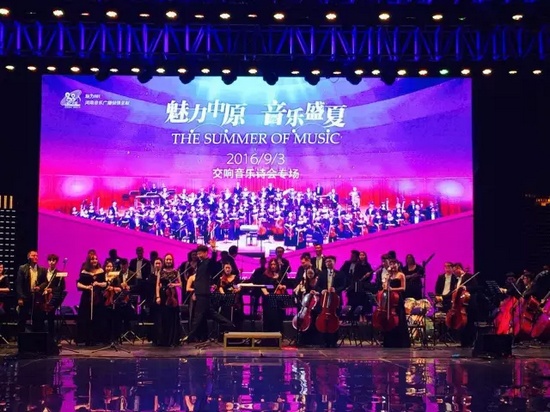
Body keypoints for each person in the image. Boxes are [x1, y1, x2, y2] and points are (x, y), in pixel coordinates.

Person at [181, 241, 234, 344]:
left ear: (206, 253)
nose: (198, 255)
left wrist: (213, 250)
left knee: (198, 316)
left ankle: (190, 337)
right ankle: (230, 324)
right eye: (198, 253)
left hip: (203, 293)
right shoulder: (200, 263)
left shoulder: (208, 262)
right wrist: (195, 291)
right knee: (211, 313)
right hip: (200, 292)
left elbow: (213, 260)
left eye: (200, 253)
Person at [76, 253, 107, 345]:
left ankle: (97, 339)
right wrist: (87, 287)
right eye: (92, 259)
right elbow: (78, 284)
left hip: (98, 297)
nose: (95, 261)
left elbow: (105, 284)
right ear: (89, 261)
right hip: (87, 297)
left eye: (96, 259)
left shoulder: (101, 271)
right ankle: (85, 338)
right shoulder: (84, 272)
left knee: (98, 317)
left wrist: (98, 283)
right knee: (85, 317)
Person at [381, 259, 410, 348]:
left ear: (398, 265)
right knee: (389, 319)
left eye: (394, 264)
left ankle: (400, 342)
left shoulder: (401, 275)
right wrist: (386, 280)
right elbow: (385, 287)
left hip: (397, 299)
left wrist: (392, 289)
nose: (393, 266)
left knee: (399, 319)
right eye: (391, 264)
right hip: (390, 299)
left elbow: (403, 288)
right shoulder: (389, 275)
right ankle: (389, 341)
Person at [16, 250, 47, 332]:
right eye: (33, 255)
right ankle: (21, 337)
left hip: (36, 297)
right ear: (28, 257)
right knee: (22, 318)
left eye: (37, 256)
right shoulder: (22, 268)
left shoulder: (42, 269)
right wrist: (20, 297)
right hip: (25, 296)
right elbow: (19, 284)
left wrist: (39, 287)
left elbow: (45, 282)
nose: (36, 257)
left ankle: (36, 336)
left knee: (37, 318)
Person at [155, 253, 182, 347]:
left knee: (173, 317)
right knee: (164, 317)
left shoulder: (176, 271)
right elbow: (157, 285)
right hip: (163, 295)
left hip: (173, 295)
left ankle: (173, 340)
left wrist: (174, 285)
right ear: (164, 260)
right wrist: (158, 296)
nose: (168, 261)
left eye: (170, 259)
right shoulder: (161, 272)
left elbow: (180, 284)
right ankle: (164, 340)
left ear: (172, 261)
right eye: (167, 259)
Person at [43, 254, 66, 339]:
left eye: (53, 260)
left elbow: (62, 287)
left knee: (51, 317)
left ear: (56, 262)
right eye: (50, 260)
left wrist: (52, 289)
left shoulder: (59, 273)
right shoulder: (43, 272)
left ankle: (51, 338)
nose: (51, 262)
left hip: (53, 298)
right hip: (43, 297)